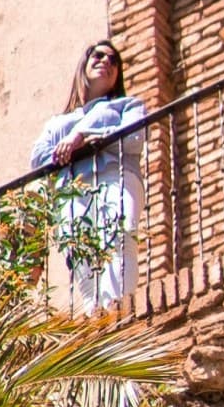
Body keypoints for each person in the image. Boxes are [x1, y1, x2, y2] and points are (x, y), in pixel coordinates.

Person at [28, 40, 147, 311]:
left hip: (115, 176)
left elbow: (134, 138)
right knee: (80, 253)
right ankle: (95, 314)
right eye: (99, 55)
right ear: (84, 64)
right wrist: (66, 149)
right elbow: (39, 158)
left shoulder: (127, 106)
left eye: (113, 60)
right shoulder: (58, 123)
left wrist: (84, 138)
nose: (106, 61)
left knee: (119, 237)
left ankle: (120, 308)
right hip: (72, 189)